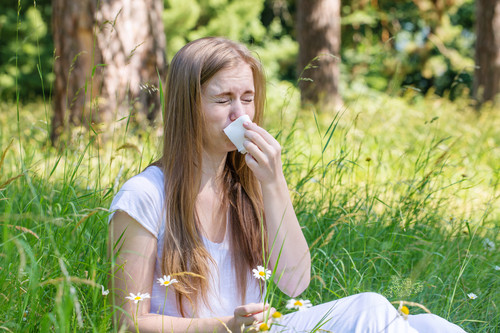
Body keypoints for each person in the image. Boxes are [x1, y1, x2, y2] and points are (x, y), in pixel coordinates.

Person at [108, 37, 467, 332]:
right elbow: (129, 321)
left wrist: (274, 182)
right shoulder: (144, 196)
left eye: (247, 99)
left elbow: (295, 283)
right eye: (223, 100)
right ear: (188, 107)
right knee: (370, 308)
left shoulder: (246, 185)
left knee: (435, 326)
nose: (241, 115)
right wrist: (225, 325)